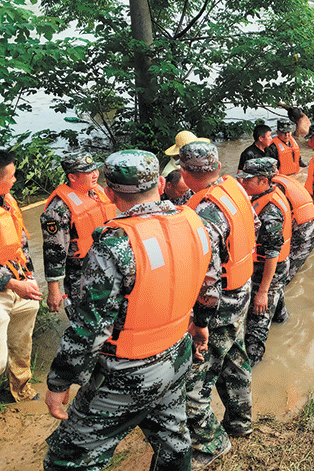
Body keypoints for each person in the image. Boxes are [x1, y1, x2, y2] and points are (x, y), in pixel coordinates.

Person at [43, 150, 223, 471]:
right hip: (177, 353)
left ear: (110, 193)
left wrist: (59, 383)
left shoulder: (115, 245)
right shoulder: (199, 223)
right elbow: (210, 291)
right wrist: (201, 327)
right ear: (158, 182)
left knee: (67, 458)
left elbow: (89, 328)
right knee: (173, 439)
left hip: (128, 372)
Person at [181, 140, 258, 469]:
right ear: (216, 166)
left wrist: (199, 324)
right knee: (236, 361)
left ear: (185, 174)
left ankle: (211, 444)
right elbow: (253, 226)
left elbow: (208, 278)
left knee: (193, 384)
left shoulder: (205, 211)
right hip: (242, 288)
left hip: (220, 302)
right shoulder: (234, 188)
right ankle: (241, 423)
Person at [40, 152, 117, 313]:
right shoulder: (58, 210)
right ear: (72, 177)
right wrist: (54, 290)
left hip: (109, 266)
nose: (95, 174)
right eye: (88, 172)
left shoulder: (98, 192)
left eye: (95, 169)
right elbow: (54, 252)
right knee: (87, 321)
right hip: (82, 276)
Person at [237, 158, 290, 365]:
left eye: (248, 180)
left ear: (263, 181)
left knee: (257, 321)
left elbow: (272, 253)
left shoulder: (270, 211)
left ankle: (253, 363)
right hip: (268, 268)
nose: (242, 183)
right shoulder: (267, 195)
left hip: (270, 270)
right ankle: (283, 321)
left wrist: (262, 292)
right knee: (275, 301)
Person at [0, 149, 42, 404]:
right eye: (11, 176)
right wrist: (13, 284)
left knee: (23, 336)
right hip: (4, 286)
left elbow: (22, 243)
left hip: (17, 281)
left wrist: (30, 276)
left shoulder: (9, 200)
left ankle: (21, 387)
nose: (15, 180)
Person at [270, 173, 314, 323]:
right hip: (306, 228)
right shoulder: (280, 181)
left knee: (280, 281)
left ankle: (282, 320)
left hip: (304, 236)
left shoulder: (275, 192)